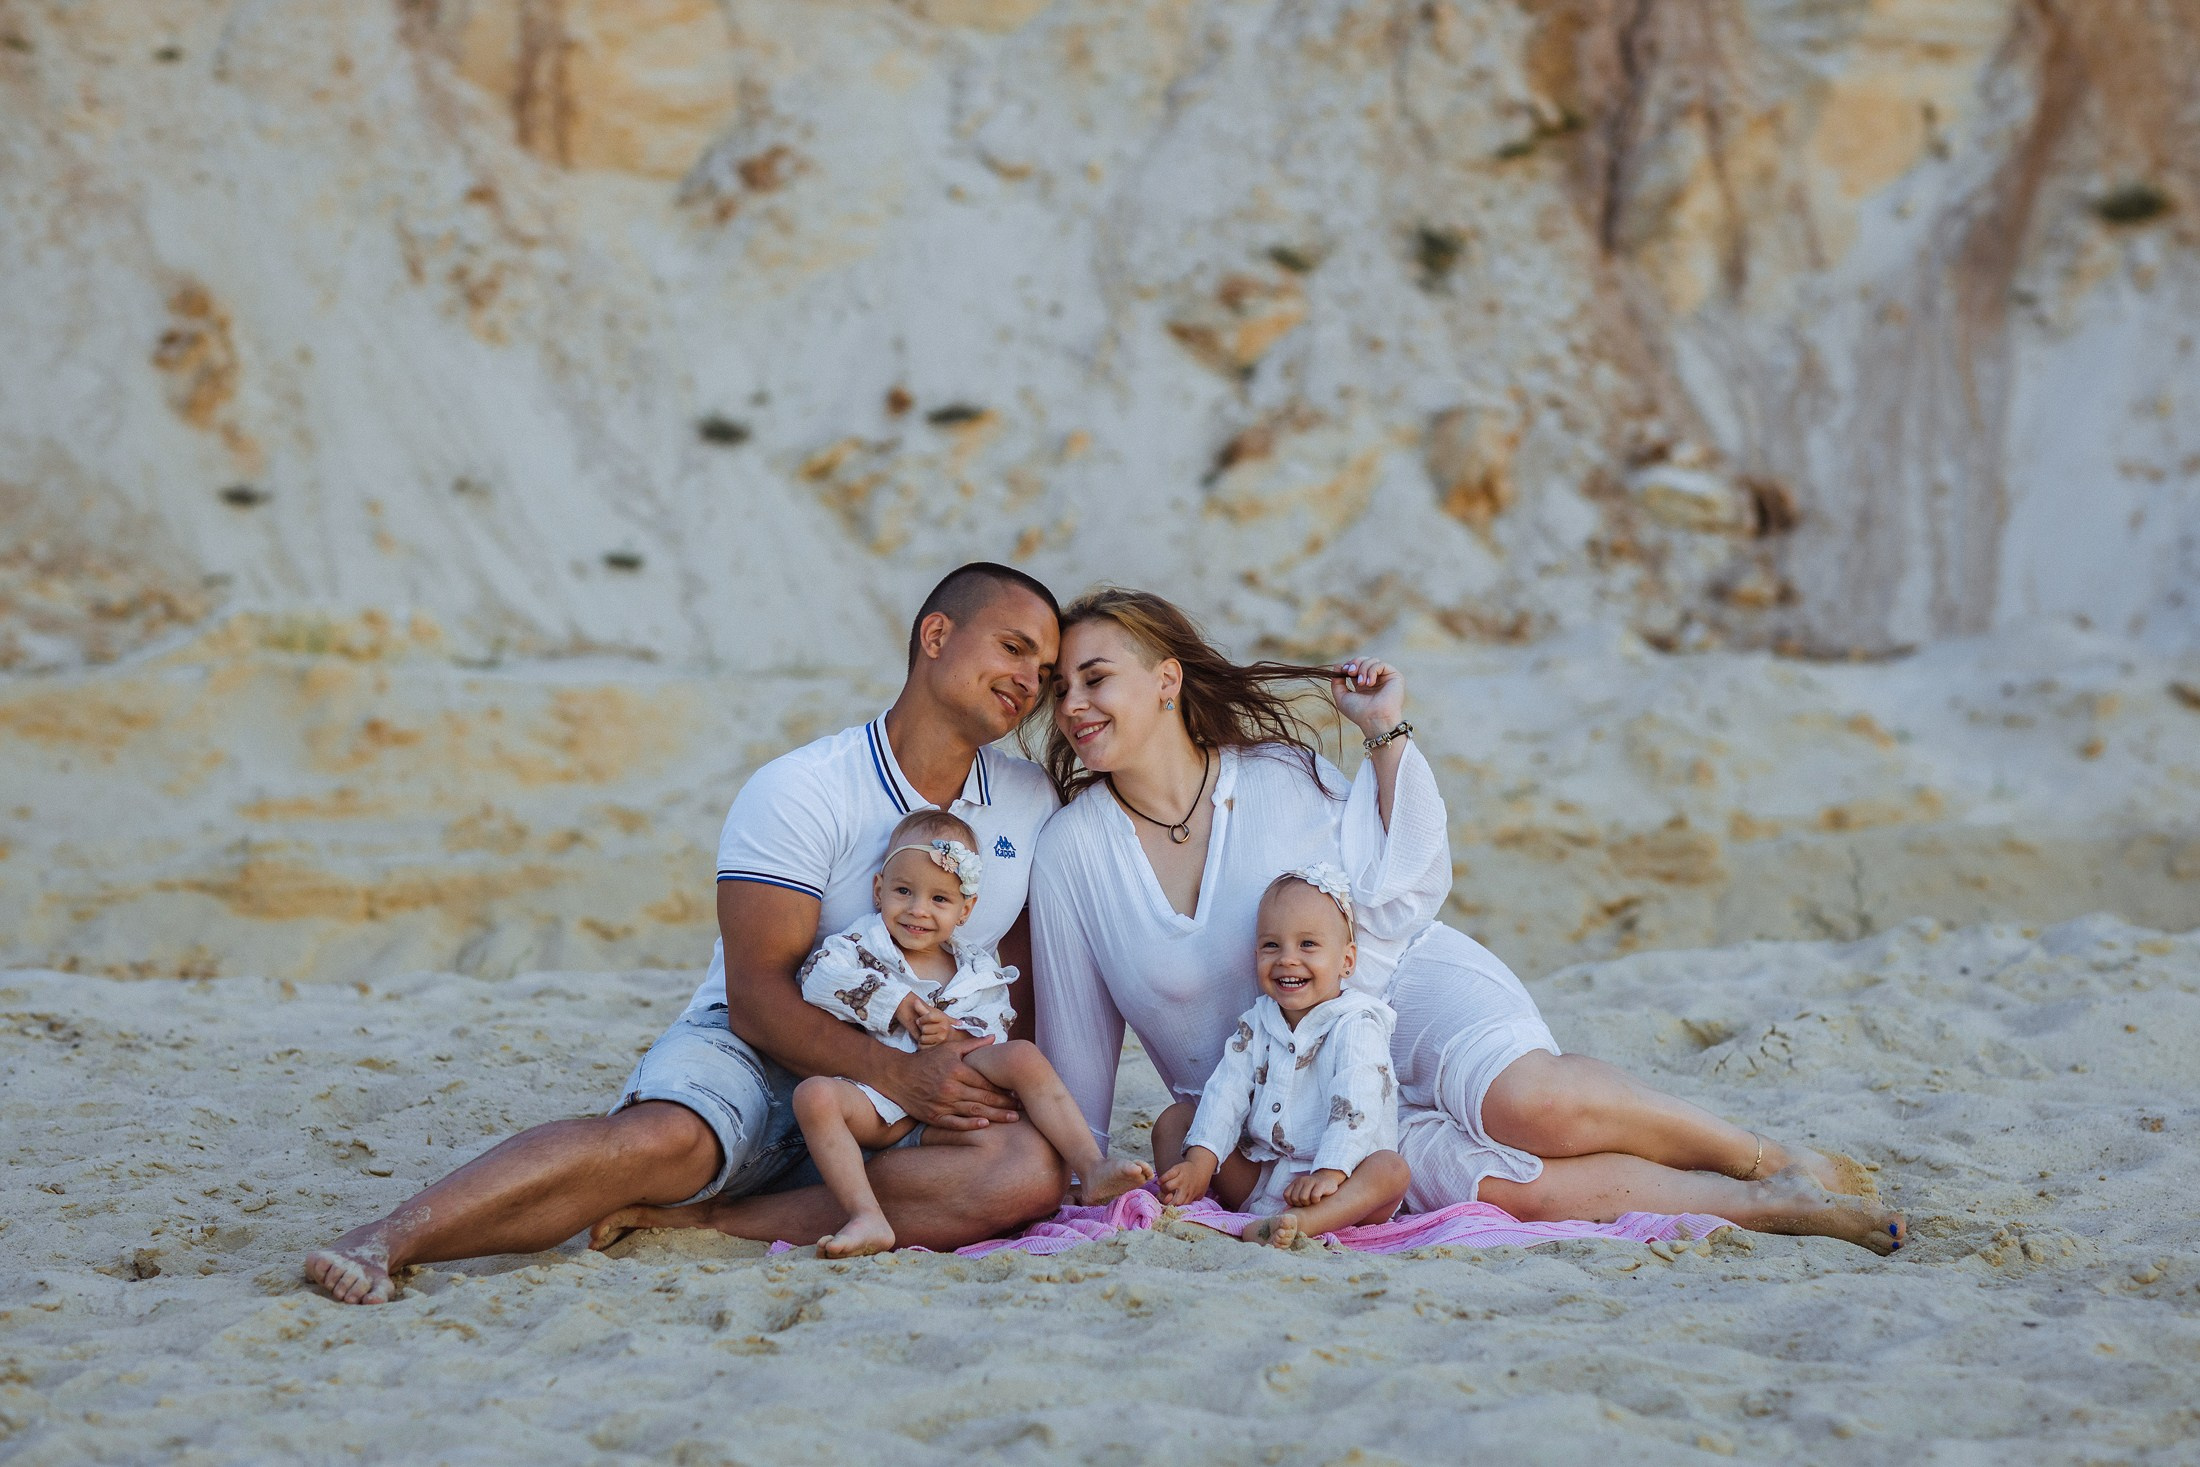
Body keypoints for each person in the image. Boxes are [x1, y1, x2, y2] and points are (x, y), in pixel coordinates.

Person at [1032, 588, 1906, 1255]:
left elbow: (1399, 885)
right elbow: (1075, 1038)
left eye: (1096, 677)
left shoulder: (1275, 774)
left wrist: (1383, 734)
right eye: (1061, 686)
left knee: (1534, 1105)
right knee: (1506, 1189)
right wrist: (1088, 1166)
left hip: (1404, 985)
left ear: (1166, 680)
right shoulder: (1071, 850)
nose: (1073, 703)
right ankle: (1772, 1204)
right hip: (1289, 1091)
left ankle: (1757, 1154)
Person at [305, 563, 1071, 1304]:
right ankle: (383, 1238)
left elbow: (1012, 973)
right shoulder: (805, 787)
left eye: (1044, 667)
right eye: (1013, 647)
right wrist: (898, 1074)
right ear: (936, 635)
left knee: (1022, 1174)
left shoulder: (1027, 801)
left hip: (902, 1081)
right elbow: (757, 999)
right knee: (658, 1143)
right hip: (763, 1046)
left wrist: (981, 1085)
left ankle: (709, 1218)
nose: (1029, 678)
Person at [610, 809, 1151, 1258]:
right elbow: (819, 979)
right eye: (904, 892)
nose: (918, 910)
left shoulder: (974, 966)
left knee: (1025, 1056)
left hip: (946, 1102)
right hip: (876, 1099)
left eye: (939, 900)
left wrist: (959, 1031)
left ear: (966, 910)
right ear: (878, 889)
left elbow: (995, 1020)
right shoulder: (860, 945)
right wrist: (897, 1005)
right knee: (815, 1096)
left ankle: (1090, 1164)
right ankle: (866, 1215)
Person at [1157, 865, 1410, 1247]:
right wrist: (1200, 1163)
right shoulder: (1256, 1023)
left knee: (1391, 1170)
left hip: (1343, 1182)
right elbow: (1226, 1092)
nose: (1288, 959)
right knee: (1175, 1121)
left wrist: (1329, 1172)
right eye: (1272, 946)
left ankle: (1306, 1222)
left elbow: (1358, 1102)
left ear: (1347, 960)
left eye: (1308, 944)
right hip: (1262, 1176)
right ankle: (1186, 1208)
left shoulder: (1357, 1023)